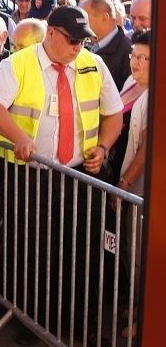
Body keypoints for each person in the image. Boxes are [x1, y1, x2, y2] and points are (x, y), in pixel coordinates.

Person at [0, 6, 123, 344]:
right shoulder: (18, 63)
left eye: (84, 40)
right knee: (33, 251)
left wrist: (102, 148)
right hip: (29, 178)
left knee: (84, 252)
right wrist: (19, 137)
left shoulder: (92, 63)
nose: (79, 47)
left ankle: (82, 324)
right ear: (52, 33)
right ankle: (32, 322)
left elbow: (114, 114)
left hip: (78, 176)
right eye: (73, 40)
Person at [115, 29, 151, 339]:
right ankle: (141, 304)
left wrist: (125, 182)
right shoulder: (131, 84)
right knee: (131, 250)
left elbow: (146, 146)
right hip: (129, 184)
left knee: (145, 255)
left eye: (143, 58)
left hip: (142, 188)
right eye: (133, 56)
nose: (135, 63)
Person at [81, 0, 132, 90]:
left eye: (85, 18)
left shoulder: (128, 53)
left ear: (104, 17)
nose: (82, 24)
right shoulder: (83, 47)